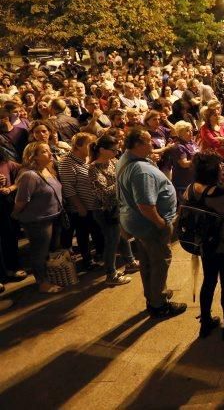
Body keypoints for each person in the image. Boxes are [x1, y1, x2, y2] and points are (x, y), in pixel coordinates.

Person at [117, 127, 186, 318]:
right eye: (148, 141)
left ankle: (153, 293)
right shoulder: (141, 171)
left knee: (147, 261)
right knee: (159, 262)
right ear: (137, 145)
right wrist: (160, 223)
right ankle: (159, 304)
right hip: (150, 225)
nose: (153, 143)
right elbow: (145, 204)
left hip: (137, 224)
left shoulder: (128, 158)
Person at [187, 153, 224, 340]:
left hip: (204, 244)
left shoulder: (191, 189)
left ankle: (205, 322)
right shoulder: (222, 193)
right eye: (220, 168)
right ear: (213, 172)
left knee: (209, 281)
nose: (223, 170)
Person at [88, 134, 139, 286]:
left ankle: (130, 262)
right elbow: (103, 193)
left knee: (122, 236)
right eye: (114, 150)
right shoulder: (93, 168)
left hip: (118, 207)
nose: (117, 153)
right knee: (112, 242)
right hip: (105, 211)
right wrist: (122, 181)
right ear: (102, 150)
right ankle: (111, 274)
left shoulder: (113, 161)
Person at [12, 142, 63, 293]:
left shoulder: (47, 170)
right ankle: (42, 283)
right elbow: (21, 200)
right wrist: (15, 215)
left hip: (53, 216)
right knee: (39, 253)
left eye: (49, 150)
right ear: (33, 157)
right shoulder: (29, 175)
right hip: (38, 221)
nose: (50, 153)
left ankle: (49, 277)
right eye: (44, 152)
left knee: (49, 251)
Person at [57, 132, 103, 271]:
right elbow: (68, 187)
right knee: (83, 234)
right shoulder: (66, 162)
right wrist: (79, 206)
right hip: (81, 207)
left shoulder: (86, 157)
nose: (93, 146)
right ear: (78, 146)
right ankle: (87, 260)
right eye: (90, 144)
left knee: (96, 231)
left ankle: (100, 255)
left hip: (94, 204)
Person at [0, 149, 25, 282]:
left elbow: (24, 174)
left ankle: (12, 268)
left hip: (5, 206)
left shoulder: (6, 164)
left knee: (10, 238)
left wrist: (11, 188)